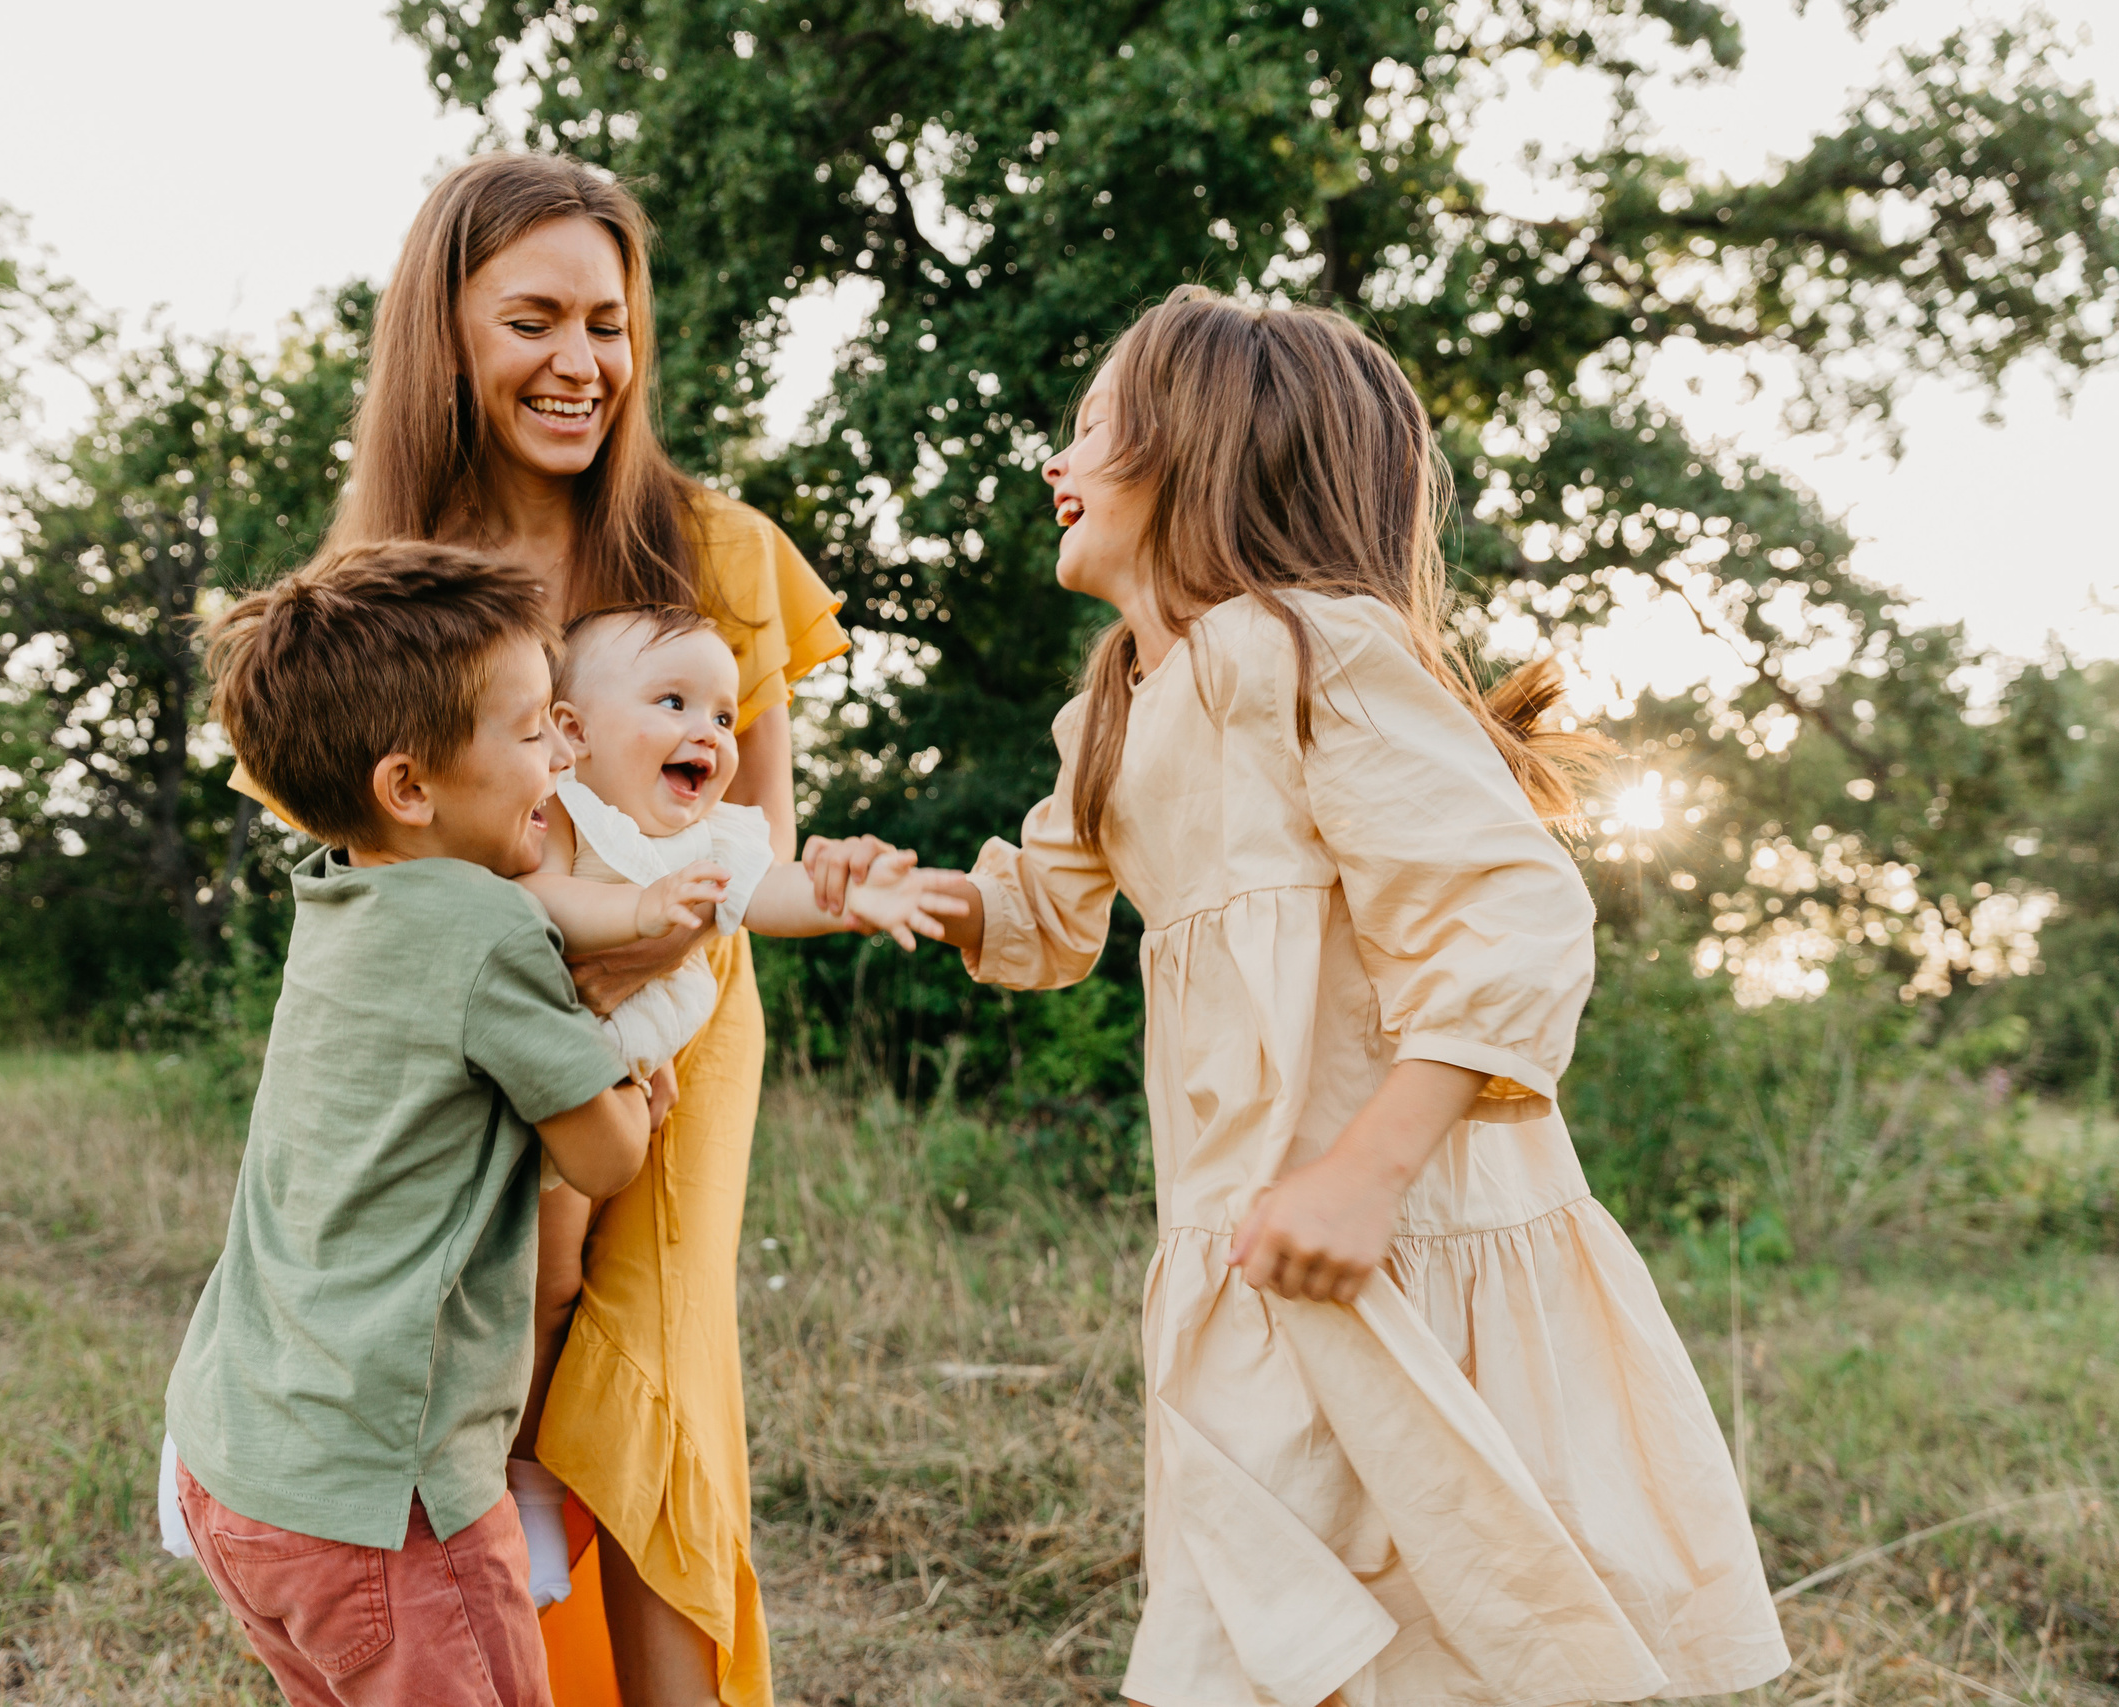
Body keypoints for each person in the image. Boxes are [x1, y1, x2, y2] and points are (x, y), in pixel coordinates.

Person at [927, 288, 1792, 1707]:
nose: (1053, 461)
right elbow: (1047, 914)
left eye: (1089, 427)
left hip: (1390, 1236)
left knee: (1426, 1638)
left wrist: (1364, 1176)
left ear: (1200, 451)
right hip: (1252, 1254)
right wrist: (911, 894)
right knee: (1275, 1631)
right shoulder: (1117, 711)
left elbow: (1510, 913)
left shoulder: (1306, 652)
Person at [231, 153, 864, 1707]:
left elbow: (750, 842)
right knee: (465, 1365)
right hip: (452, 1038)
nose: (581, 362)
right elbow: (366, 871)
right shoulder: (382, 587)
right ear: (444, 337)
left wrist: (647, 946)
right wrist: (534, 963)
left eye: (609, 322)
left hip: (668, 1019)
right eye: (533, 320)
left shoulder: (720, 553)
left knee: (647, 1383)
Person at [164, 542, 658, 1707]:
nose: (562, 754)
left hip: (241, 1471)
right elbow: (604, 1154)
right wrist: (632, 1076)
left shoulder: (337, 895)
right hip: (389, 1512)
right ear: (409, 787)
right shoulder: (485, 926)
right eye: (532, 731)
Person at [507, 602, 960, 1610]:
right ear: (573, 730)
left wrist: (848, 903)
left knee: (561, 1290)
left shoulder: (714, 837)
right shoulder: (562, 812)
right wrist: (639, 910)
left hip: (610, 1087)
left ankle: (529, 1480)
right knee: (511, 1287)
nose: (708, 731)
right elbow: (543, 903)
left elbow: (769, 895)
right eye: (672, 702)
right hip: (530, 1080)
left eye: (721, 713)